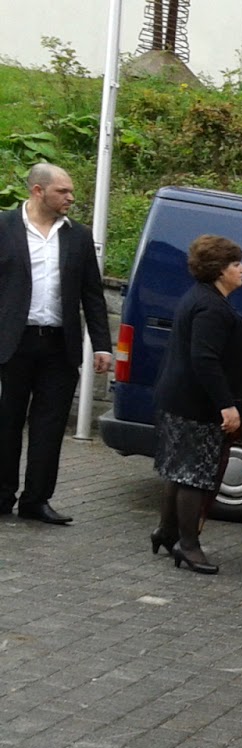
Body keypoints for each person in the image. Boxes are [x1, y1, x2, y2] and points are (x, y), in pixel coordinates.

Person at [0, 163, 112, 525]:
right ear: (38, 191)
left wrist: (102, 344)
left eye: (71, 191)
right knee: (6, 422)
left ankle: (37, 499)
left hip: (58, 347)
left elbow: (92, 294)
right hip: (12, 342)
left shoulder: (78, 236)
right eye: (63, 191)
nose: (71, 198)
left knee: (49, 427)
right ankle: (2, 494)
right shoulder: (4, 227)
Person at [148, 235, 242, 573]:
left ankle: (167, 532)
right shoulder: (210, 307)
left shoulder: (200, 297)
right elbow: (205, 359)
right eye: (236, 264)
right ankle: (189, 544)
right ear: (220, 270)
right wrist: (227, 405)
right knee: (195, 475)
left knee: (179, 470)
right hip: (196, 404)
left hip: (180, 398)